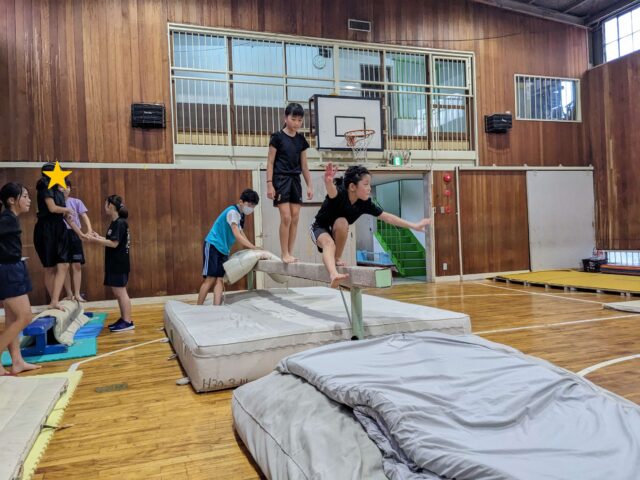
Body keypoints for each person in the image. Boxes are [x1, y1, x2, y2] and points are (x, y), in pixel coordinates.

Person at [310, 163, 431, 288]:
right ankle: (334, 274)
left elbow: (387, 217)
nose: (369, 188)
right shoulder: (340, 194)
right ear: (352, 186)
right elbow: (332, 191)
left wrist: (414, 225)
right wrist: (328, 182)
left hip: (338, 228)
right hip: (319, 227)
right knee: (329, 242)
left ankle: (337, 258)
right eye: (366, 184)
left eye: (369, 184)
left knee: (342, 222)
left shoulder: (365, 203)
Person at [0, 183, 41, 375]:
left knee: (12, 319)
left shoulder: (10, 219)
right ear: (11, 200)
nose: (29, 200)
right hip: (8, 271)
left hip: (14, 267)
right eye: (24, 196)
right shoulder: (6, 219)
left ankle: (17, 361)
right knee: (25, 316)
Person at [266, 103, 313, 264]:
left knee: (295, 217)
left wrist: (309, 185)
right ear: (285, 118)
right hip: (280, 179)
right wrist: (269, 183)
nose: (297, 123)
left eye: (300, 120)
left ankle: (290, 252)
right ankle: (284, 253)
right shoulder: (277, 137)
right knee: (286, 217)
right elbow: (270, 162)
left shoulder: (301, 140)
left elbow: (304, 165)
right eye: (293, 119)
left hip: (295, 180)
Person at [197, 189, 260, 306]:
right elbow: (237, 234)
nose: (251, 208)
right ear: (241, 202)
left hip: (224, 249)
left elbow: (241, 232)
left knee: (220, 279)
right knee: (210, 278)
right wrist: (253, 247)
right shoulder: (232, 212)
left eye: (253, 206)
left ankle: (217, 307)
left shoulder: (241, 215)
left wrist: (253, 247)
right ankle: (198, 307)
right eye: (249, 205)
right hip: (213, 245)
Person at [87, 195, 133, 333]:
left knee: (121, 292)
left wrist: (95, 241)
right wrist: (98, 237)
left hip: (119, 263)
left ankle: (127, 321)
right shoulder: (115, 222)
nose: (104, 207)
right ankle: (124, 319)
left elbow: (114, 244)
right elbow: (111, 240)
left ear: (111, 206)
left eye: (105, 204)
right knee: (118, 292)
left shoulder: (120, 223)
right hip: (114, 262)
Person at [33, 163, 71, 310]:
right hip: (46, 229)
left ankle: (55, 299)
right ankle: (54, 300)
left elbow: (61, 211)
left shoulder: (58, 189)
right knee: (49, 267)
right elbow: (52, 208)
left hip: (59, 227)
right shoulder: (45, 186)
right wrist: (67, 209)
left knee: (64, 264)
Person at [60, 180, 92, 302]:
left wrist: (89, 230)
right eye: (62, 187)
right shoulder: (57, 204)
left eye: (67, 186)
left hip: (75, 234)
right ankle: (69, 293)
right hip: (61, 235)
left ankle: (77, 294)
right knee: (64, 265)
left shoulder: (76, 202)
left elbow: (84, 216)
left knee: (76, 264)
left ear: (70, 188)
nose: (65, 189)